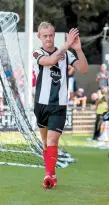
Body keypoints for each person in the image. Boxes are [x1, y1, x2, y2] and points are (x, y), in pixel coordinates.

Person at [33, 22, 88, 189]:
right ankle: (50, 172)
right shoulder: (37, 53)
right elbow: (51, 60)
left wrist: (77, 48)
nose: (49, 38)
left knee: (53, 139)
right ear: (39, 37)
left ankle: (49, 176)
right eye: (45, 36)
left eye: (51, 35)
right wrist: (67, 44)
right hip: (41, 104)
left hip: (59, 105)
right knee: (44, 141)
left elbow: (84, 69)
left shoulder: (68, 54)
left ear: (54, 35)